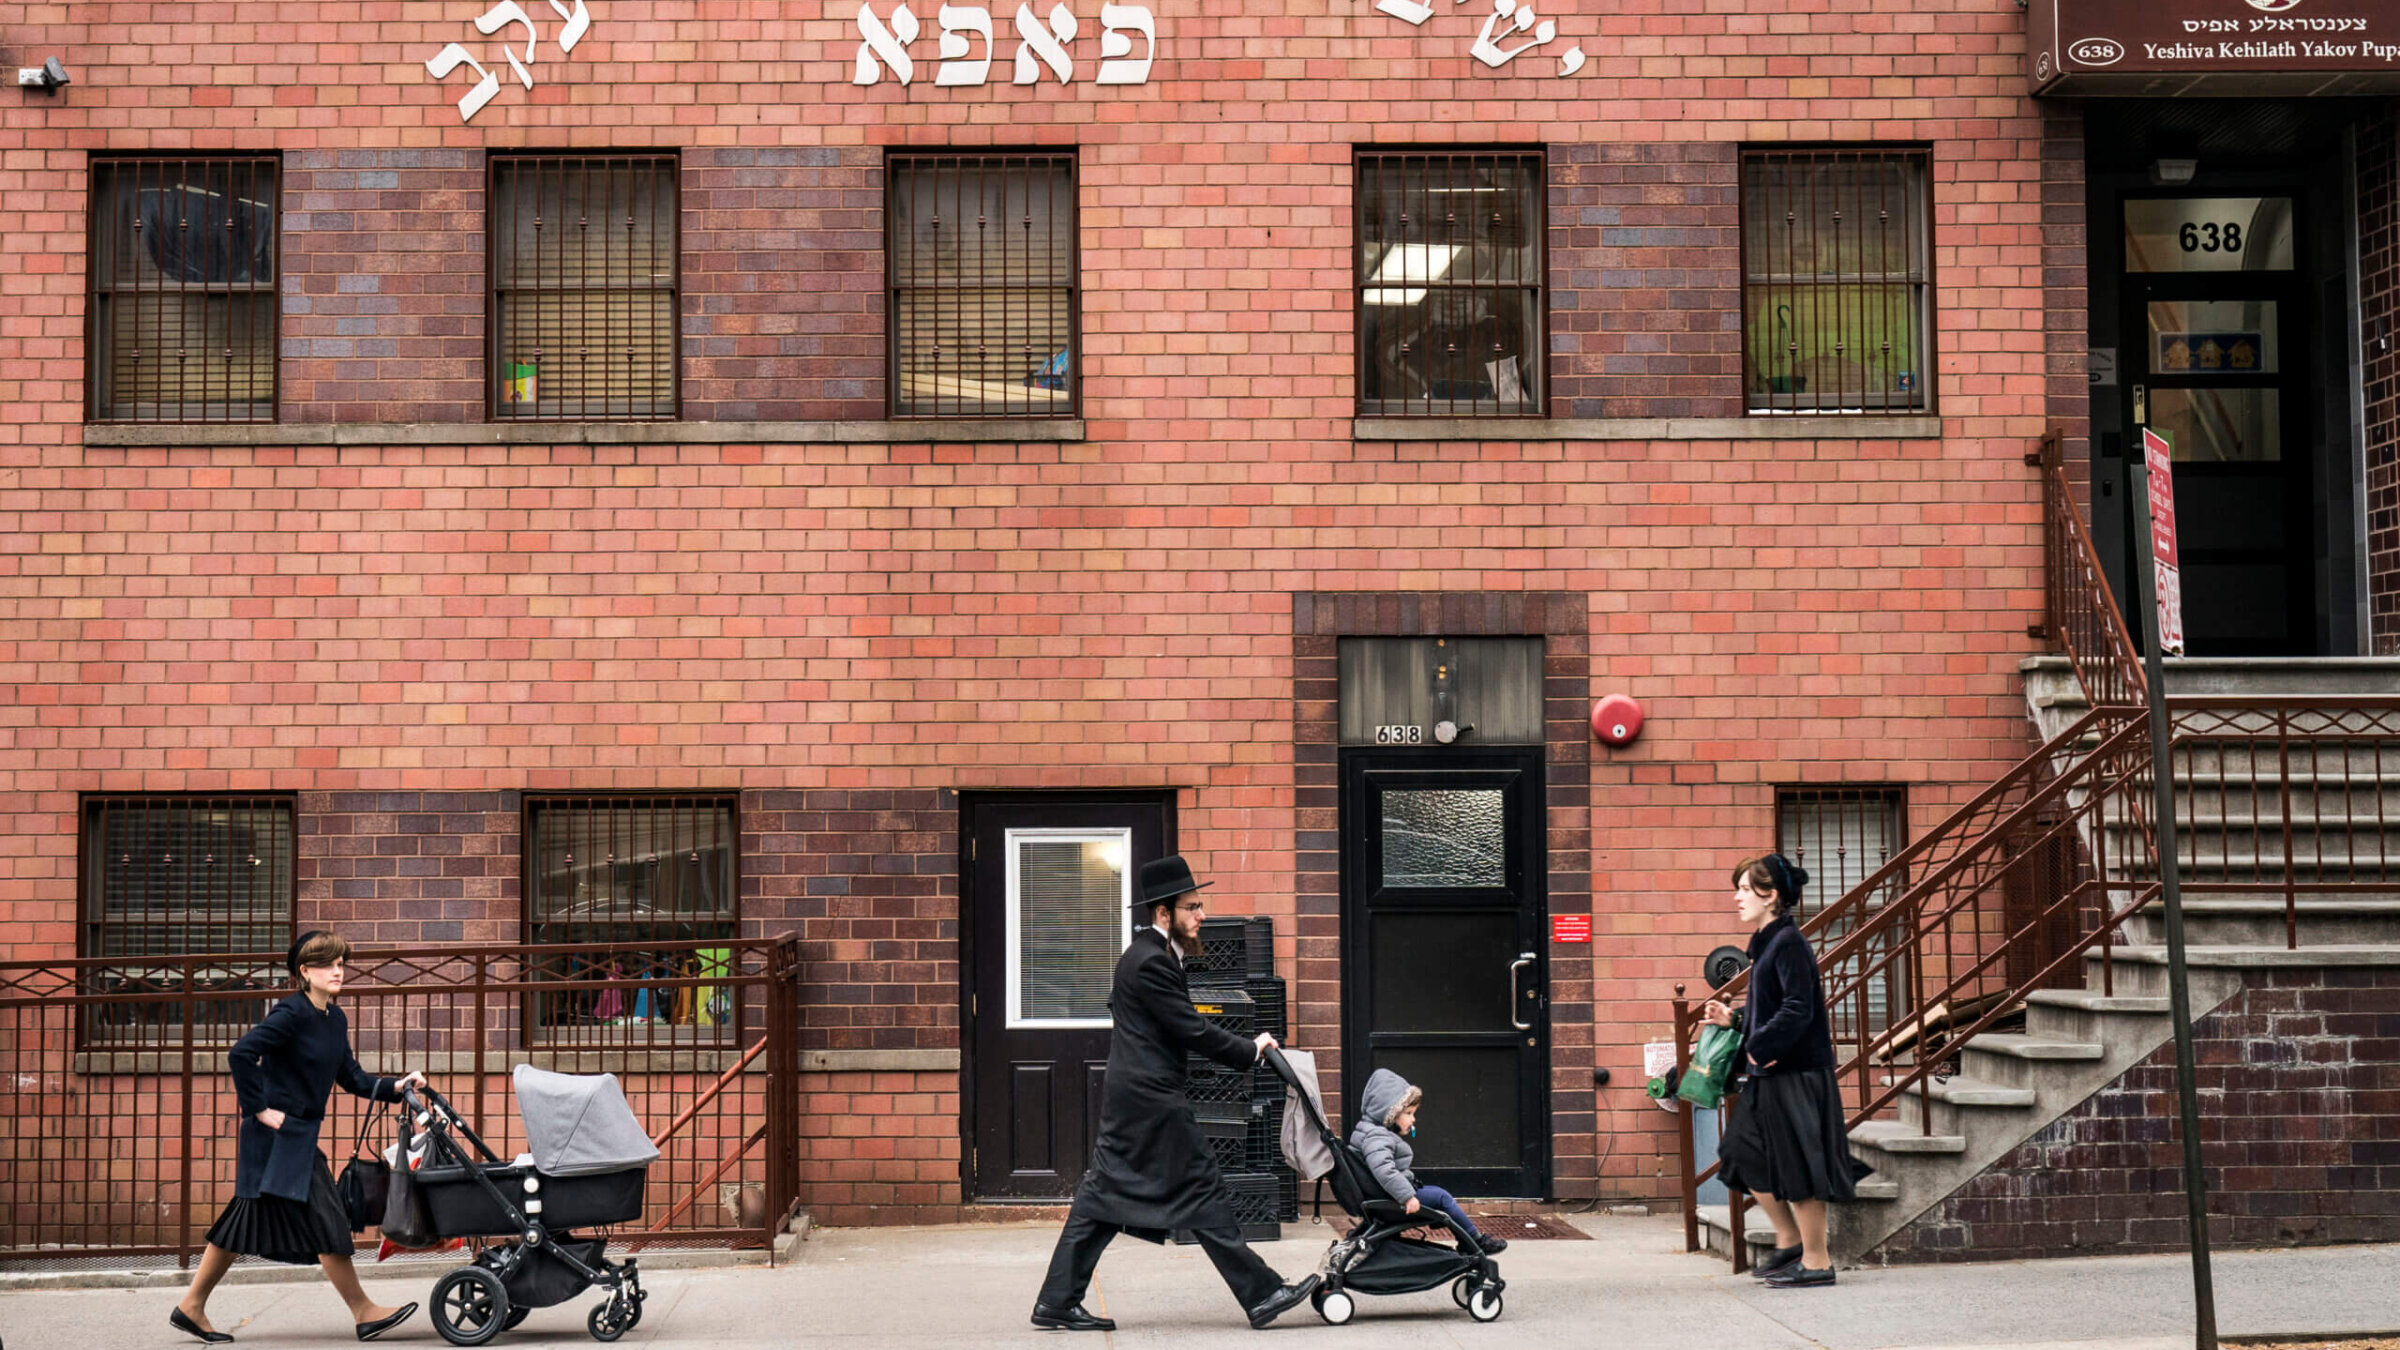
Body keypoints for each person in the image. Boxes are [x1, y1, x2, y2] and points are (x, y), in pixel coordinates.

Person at [1032, 855, 1322, 1332]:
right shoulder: (1150, 962)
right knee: (1199, 1186)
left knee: (1103, 1197)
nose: (1201, 915)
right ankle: (1263, 1293)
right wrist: (1250, 1049)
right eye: (1192, 907)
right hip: (1150, 1102)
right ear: (1163, 913)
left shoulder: (1152, 956)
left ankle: (1057, 1300)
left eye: (1201, 905)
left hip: (1138, 1099)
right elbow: (1191, 1030)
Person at [171, 931, 427, 1343]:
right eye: (328, 964)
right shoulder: (290, 1014)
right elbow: (240, 1054)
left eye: (341, 963)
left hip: (299, 1135)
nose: (338, 971)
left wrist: (397, 1086)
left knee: (244, 1218)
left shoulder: (333, 1018)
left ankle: (191, 1306)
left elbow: (352, 1077)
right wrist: (257, 1108)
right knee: (327, 1216)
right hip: (275, 1137)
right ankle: (363, 1311)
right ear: (305, 972)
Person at [1701, 852, 1865, 1289]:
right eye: (1736, 888)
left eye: (1743, 889)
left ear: (1770, 895)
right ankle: (1791, 1240)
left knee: (1800, 1165)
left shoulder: (1789, 942)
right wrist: (1734, 1022)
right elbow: (1775, 1008)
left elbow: (1799, 1008)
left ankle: (1817, 1261)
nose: (1736, 898)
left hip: (1796, 1073)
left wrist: (1757, 1044)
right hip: (1769, 1072)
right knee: (1742, 1153)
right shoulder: (1769, 942)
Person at [1350, 1068, 1506, 1254]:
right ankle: (1474, 1241)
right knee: (1441, 1197)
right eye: (1408, 1113)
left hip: (1386, 1196)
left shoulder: (1371, 1131)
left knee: (1437, 1195)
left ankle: (1471, 1240)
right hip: (1391, 1201)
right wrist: (1407, 1196)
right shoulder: (1376, 1136)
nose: (1413, 1119)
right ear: (1388, 1112)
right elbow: (1384, 1170)